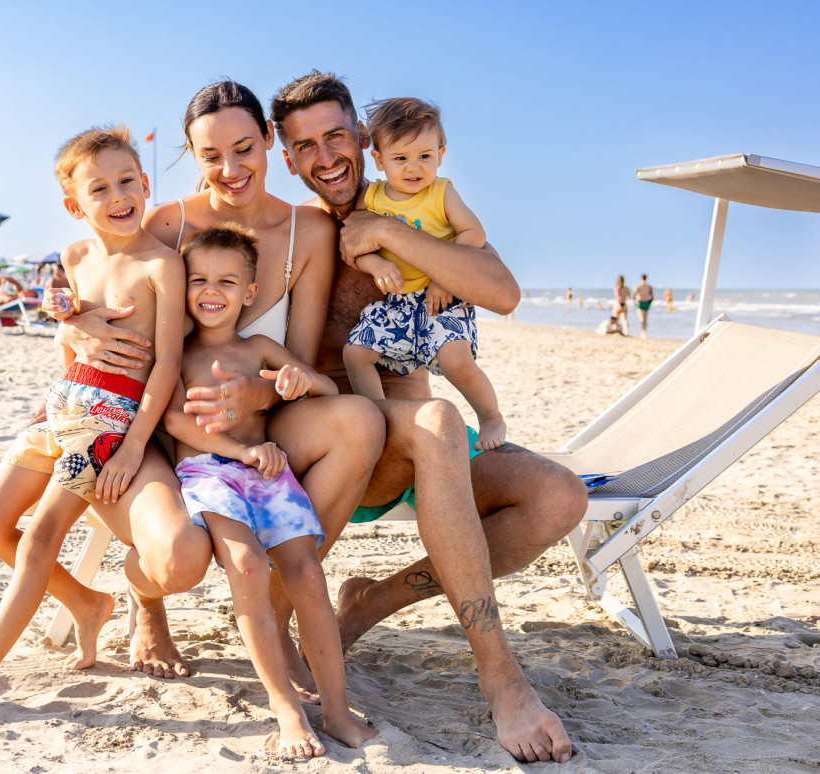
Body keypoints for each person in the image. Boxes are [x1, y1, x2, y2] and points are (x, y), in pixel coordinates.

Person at [256, 70, 585, 763]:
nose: (326, 157)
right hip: (348, 441)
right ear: (287, 158)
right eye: (305, 146)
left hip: (422, 449)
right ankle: (502, 677)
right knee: (436, 420)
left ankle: (370, 604)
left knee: (559, 497)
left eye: (336, 136)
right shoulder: (301, 234)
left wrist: (390, 232)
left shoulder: (423, 209)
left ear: (363, 139)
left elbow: (501, 292)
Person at [51, 80, 384, 685]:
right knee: (177, 557)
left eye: (244, 149)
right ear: (190, 157)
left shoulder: (308, 229)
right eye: (210, 156)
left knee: (362, 422)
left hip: (260, 416)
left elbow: (297, 357)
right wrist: (71, 334)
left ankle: (279, 608)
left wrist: (260, 393)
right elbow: (109, 316)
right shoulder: (165, 223)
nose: (230, 169)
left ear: (269, 144)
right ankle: (146, 604)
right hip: (163, 423)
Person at [0, 125, 185, 724]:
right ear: (74, 205)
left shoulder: (162, 265)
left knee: (39, 536)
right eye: (100, 187)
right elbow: (73, 346)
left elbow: (167, 365)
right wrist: (68, 317)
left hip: (109, 420)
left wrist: (134, 446)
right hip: (59, 405)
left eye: (128, 181)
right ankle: (86, 601)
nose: (119, 196)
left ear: (145, 182)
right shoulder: (76, 257)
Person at [165, 223, 376, 756]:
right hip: (211, 473)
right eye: (199, 280)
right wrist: (239, 451)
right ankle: (284, 707)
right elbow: (173, 420)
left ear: (250, 293)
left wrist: (300, 383)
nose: (212, 291)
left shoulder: (259, 345)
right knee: (250, 567)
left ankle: (334, 708)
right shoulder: (178, 351)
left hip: (266, 474)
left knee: (307, 573)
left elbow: (324, 386)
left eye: (228, 282)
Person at [342, 97, 505, 451]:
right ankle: (378, 416)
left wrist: (445, 277)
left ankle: (491, 416)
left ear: (441, 154)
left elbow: (474, 233)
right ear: (380, 159)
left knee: (456, 362)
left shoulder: (441, 192)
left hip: (443, 297)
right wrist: (378, 265)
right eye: (400, 158)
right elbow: (355, 248)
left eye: (425, 157)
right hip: (399, 302)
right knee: (355, 353)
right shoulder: (371, 198)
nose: (414, 168)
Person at [633, 274, 654, 338]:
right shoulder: (649, 287)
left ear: (641, 278)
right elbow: (652, 297)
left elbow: (634, 296)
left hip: (640, 302)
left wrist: (634, 303)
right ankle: (644, 332)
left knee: (642, 319)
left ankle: (643, 332)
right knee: (645, 319)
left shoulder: (638, 286)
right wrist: (649, 303)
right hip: (647, 302)